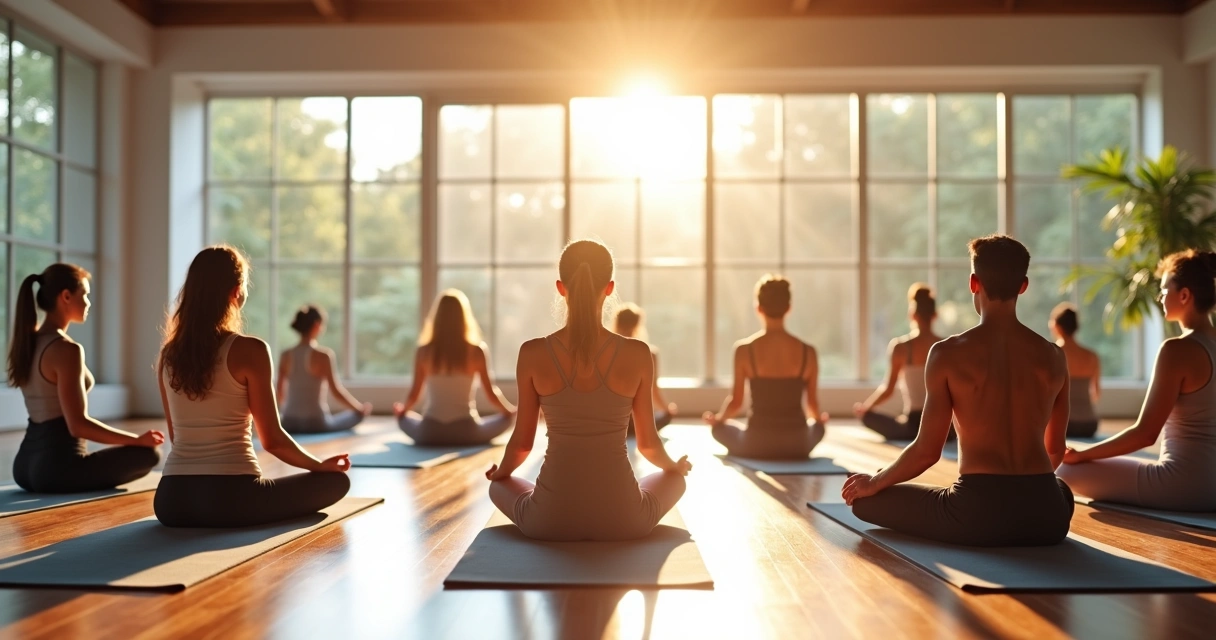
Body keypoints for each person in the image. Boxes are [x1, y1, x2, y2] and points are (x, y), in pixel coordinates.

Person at [842, 235, 1074, 547]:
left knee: (867, 503)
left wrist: (874, 482)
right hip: (1048, 516)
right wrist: (1030, 494)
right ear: (1023, 285)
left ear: (973, 283)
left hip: (976, 515)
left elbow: (927, 451)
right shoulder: (1054, 356)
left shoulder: (947, 354)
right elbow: (1056, 449)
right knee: (1063, 493)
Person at [485, 240, 691, 541]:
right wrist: (675, 467)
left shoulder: (532, 353)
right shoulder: (638, 353)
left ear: (560, 287)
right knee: (675, 480)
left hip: (548, 521)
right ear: (609, 288)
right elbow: (648, 445)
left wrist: (501, 474)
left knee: (497, 486)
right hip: (625, 520)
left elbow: (521, 445)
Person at [154, 246, 350, 528]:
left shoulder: (168, 355)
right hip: (235, 500)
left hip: (171, 502)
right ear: (235, 292)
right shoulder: (251, 350)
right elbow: (272, 440)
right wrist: (319, 466)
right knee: (335, 482)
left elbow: (175, 435)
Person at [1058, 250, 1216, 512]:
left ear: (1185, 295)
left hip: (1185, 485)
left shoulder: (1177, 350)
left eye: (1165, 291)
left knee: (1064, 468)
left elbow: (1145, 435)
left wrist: (1082, 454)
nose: (1160, 297)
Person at [8, 264, 161, 493]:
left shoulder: (27, 343)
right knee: (148, 454)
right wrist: (137, 439)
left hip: (23, 465)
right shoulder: (66, 350)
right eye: (85, 295)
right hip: (57, 469)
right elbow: (78, 426)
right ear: (66, 296)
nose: (89, 303)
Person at [704, 275, 827, 460]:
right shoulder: (808, 352)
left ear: (758, 308)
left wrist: (718, 420)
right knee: (819, 428)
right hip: (798, 444)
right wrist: (819, 421)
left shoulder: (743, 350)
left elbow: (736, 402)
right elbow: (812, 405)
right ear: (788, 308)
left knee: (719, 429)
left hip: (756, 443)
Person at [394, 290, 516, 446]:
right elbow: (491, 393)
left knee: (403, 418)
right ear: (464, 318)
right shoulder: (477, 350)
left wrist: (402, 411)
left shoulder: (423, 351)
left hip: (430, 432)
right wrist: (509, 412)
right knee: (506, 419)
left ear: (437, 317)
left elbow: (414, 394)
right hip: (467, 432)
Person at [853, 284, 947, 441]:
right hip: (943, 427)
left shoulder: (901, 347)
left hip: (913, 426)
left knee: (867, 417)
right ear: (935, 315)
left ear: (912, 315)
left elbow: (888, 389)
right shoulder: (946, 346)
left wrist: (865, 408)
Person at [278, 305, 371, 434]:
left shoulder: (285, 355)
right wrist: (359, 408)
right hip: (316, 423)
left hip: (288, 422)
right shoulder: (324, 355)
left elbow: (279, 393)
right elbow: (336, 391)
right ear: (317, 326)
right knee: (358, 415)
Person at [612, 303, 677, 434]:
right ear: (637, 325)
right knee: (667, 416)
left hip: (611, 422)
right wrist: (667, 409)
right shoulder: (649, 353)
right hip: (637, 423)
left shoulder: (606, 350)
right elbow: (654, 390)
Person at [1049, 303, 1101, 438]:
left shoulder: (1052, 353)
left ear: (1056, 326)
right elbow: (1096, 393)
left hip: (1065, 425)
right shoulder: (1092, 356)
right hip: (1089, 424)